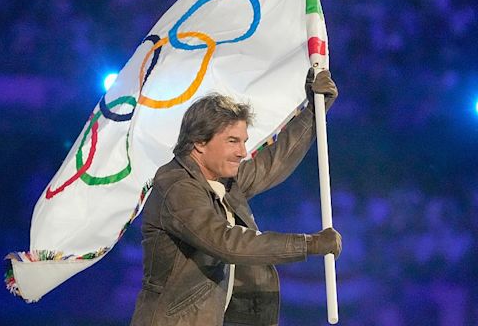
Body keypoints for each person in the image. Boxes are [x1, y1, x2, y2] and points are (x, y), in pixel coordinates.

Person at [130, 70, 342, 326]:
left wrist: (314, 112)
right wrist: (308, 244)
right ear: (199, 142)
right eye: (233, 141)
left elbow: (274, 162)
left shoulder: (223, 179)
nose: (242, 152)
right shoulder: (176, 186)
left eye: (243, 141)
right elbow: (226, 242)